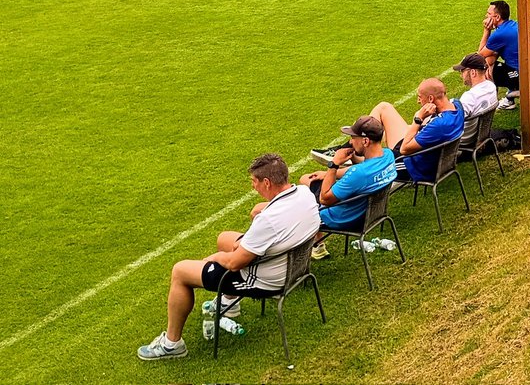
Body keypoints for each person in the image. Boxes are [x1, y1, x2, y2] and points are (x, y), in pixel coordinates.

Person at [136, 153, 320, 361]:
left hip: (266, 280)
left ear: (267, 182)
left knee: (181, 271)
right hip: (295, 266)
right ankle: (228, 305)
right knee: (225, 238)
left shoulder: (268, 221)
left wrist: (215, 258)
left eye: (254, 182)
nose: (253, 187)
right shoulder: (304, 193)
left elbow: (234, 263)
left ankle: (172, 344)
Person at [299, 116, 396, 239]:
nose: (350, 142)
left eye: (353, 138)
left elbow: (325, 199)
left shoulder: (359, 173)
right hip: (370, 215)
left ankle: (317, 244)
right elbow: (365, 167)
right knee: (310, 180)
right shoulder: (388, 155)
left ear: (365, 141)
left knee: (304, 183)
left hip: (341, 218)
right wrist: (330, 173)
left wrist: (333, 165)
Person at [478, 0, 530, 110]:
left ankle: (491, 104)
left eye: (489, 14)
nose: (486, 16)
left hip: (526, 78)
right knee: (490, 63)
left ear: (497, 17)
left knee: (482, 68)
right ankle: (508, 99)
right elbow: (493, 54)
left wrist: (486, 30)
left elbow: (480, 55)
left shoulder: (500, 34)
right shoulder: (514, 25)